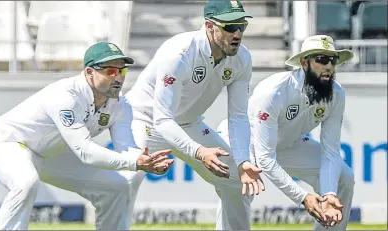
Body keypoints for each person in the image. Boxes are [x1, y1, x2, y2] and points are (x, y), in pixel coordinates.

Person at [0, 42, 174, 230]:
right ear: (90, 72)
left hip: (49, 153)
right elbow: (85, 151)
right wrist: (136, 162)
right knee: (26, 182)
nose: (119, 78)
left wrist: (147, 161)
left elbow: (127, 148)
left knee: (117, 187)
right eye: (110, 71)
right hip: (9, 142)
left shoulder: (120, 105)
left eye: (122, 71)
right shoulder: (66, 96)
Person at [123, 0, 265, 230]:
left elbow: (238, 117)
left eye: (242, 26)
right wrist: (199, 152)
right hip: (143, 120)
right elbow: (162, 119)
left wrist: (242, 160)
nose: (238, 33)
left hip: (188, 123)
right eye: (230, 27)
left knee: (239, 181)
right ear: (209, 26)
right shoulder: (179, 52)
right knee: (128, 177)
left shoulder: (242, 58)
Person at [217, 35, 355, 229]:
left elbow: (330, 151)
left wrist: (329, 194)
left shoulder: (336, 94)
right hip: (245, 141)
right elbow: (265, 157)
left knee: (343, 177)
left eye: (333, 60)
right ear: (304, 63)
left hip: (288, 143)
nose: (329, 67)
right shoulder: (274, 92)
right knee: (240, 185)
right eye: (322, 60)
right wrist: (303, 197)